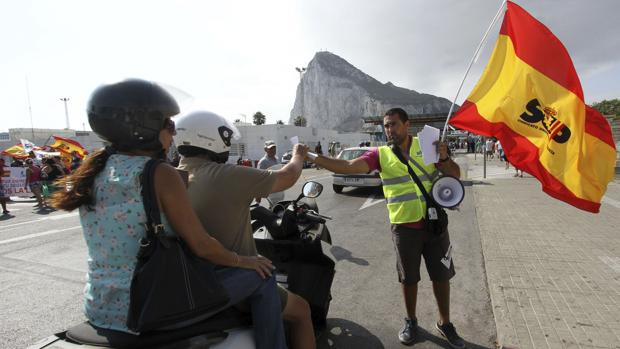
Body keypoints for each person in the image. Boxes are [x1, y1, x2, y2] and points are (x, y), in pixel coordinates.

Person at [49, 79, 287, 349]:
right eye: (169, 125)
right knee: (263, 275)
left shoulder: (92, 172)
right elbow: (203, 246)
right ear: (144, 128)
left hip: (99, 308)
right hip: (152, 306)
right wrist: (245, 261)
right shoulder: (159, 173)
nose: (173, 134)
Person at [306, 108, 465, 348]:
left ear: (406, 124)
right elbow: (349, 166)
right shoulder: (380, 154)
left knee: (441, 276)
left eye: (393, 124)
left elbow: (455, 174)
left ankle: (445, 323)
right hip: (404, 227)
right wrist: (312, 157)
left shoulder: (429, 145)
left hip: (435, 225)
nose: (389, 130)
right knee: (408, 278)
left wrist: (443, 159)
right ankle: (411, 321)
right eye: (386, 126)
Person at [174, 110, 315, 349]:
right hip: (231, 279)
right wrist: (298, 155)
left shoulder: (174, 176)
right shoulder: (224, 174)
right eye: (226, 140)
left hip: (192, 281)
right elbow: (288, 176)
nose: (228, 145)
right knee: (302, 311)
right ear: (212, 140)